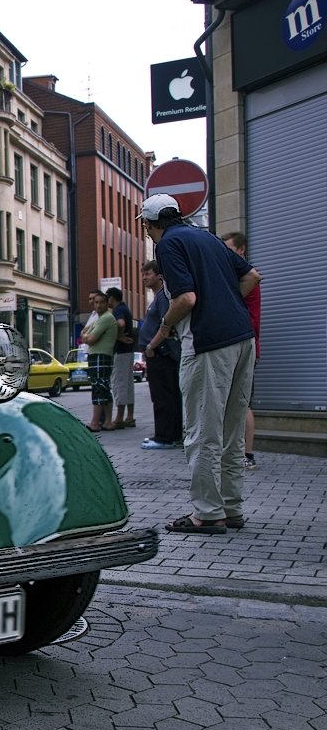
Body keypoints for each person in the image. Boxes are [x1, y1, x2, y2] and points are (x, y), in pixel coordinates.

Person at [140, 194, 260, 535]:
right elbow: (252, 276)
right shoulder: (206, 236)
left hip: (208, 344)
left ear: (149, 225)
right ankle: (232, 507)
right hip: (242, 338)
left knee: (202, 431)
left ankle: (207, 513)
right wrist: (226, 304)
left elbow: (186, 299)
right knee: (232, 429)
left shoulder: (167, 245)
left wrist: (165, 326)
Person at [222, 231, 260, 470]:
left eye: (229, 250)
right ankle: (238, 453)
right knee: (234, 402)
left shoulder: (245, 277)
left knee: (242, 403)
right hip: (239, 345)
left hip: (244, 345)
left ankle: (247, 454)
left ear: (241, 250)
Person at [138, 260, 182, 450]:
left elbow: (167, 325)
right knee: (167, 395)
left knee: (163, 396)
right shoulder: (158, 297)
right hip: (158, 353)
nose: (144, 278)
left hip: (161, 354)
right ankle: (170, 435)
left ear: (159, 276)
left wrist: (151, 346)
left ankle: (165, 437)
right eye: (143, 274)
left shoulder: (163, 296)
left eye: (148, 274)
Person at [80, 291, 116, 432]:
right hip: (98, 355)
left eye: (101, 302)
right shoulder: (99, 319)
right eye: (96, 302)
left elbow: (90, 339)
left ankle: (95, 422)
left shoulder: (106, 318)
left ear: (107, 303)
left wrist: (86, 336)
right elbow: (84, 334)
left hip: (101, 355)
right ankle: (107, 422)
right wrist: (86, 336)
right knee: (104, 388)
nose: (98, 305)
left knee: (99, 388)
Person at [104, 287, 135, 429]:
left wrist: (118, 336)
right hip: (128, 351)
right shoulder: (125, 308)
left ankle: (119, 417)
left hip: (121, 352)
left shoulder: (118, 310)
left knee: (119, 383)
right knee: (128, 384)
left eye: (107, 298)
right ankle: (129, 417)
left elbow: (120, 323)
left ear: (111, 298)